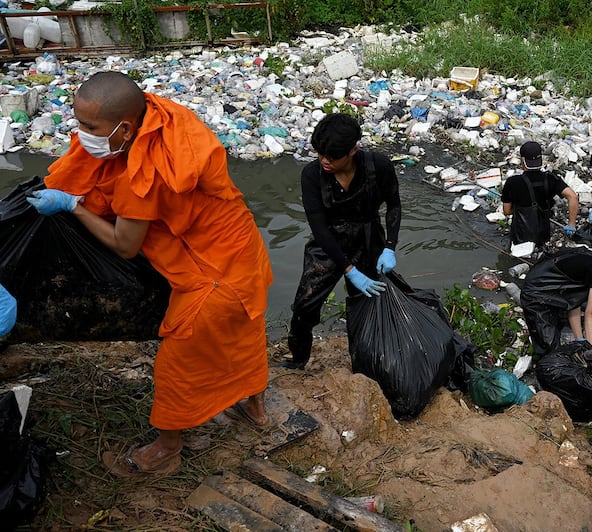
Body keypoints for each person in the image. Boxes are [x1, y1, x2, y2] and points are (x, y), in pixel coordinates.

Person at [25, 71, 273, 476]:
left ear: (124, 129)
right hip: (242, 243)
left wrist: (74, 207)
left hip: (215, 273)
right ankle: (254, 406)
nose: (80, 133)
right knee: (244, 333)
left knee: (177, 362)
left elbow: (126, 245)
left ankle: (167, 448)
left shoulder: (146, 175)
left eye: (89, 127)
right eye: (78, 122)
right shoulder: (158, 115)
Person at [280, 113, 401, 370]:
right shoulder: (312, 175)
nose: (324, 160)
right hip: (328, 243)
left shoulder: (379, 166)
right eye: (320, 153)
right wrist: (348, 269)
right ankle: (299, 358)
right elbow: (319, 228)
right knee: (305, 305)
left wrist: (390, 247)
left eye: (332, 157)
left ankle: (364, 363)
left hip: (369, 238)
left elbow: (394, 205)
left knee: (366, 304)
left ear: (352, 150)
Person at [501, 141, 579, 246]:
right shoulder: (551, 178)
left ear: (523, 160)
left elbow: (506, 211)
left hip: (520, 236)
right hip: (543, 234)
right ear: (540, 159)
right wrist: (571, 224)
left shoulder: (512, 182)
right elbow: (572, 196)